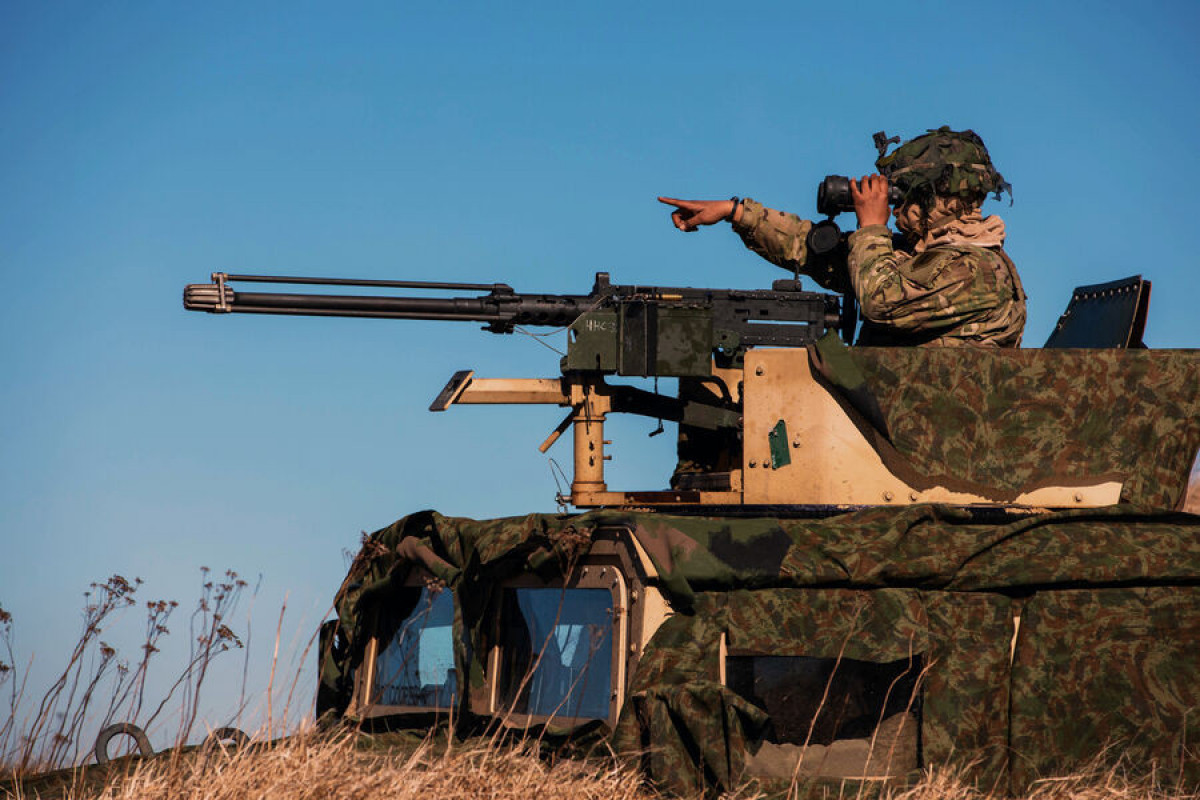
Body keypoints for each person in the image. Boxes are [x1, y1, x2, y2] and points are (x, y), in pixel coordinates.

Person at [659, 127, 1026, 347]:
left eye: (906, 194)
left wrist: (871, 229)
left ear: (945, 199)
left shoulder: (978, 270)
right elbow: (810, 248)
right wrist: (736, 212)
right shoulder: (912, 257)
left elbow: (882, 303)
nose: (896, 207)